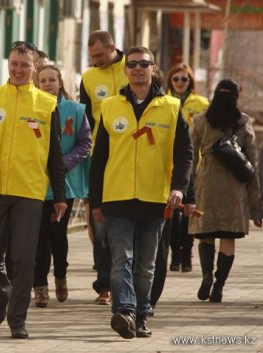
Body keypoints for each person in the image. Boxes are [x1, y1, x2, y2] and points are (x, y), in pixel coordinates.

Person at [0, 41, 67, 339]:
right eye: (14, 63)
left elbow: (54, 155)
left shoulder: (46, 105)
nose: (18, 69)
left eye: (25, 65)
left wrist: (59, 196)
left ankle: (17, 319)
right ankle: (2, 290)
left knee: (23, 258)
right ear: (8, 64)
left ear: (35, 69)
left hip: (30, 192)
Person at [90, 46, 192, 339]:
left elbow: (185, 153)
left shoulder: (171, 107)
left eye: (143, 64)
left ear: (153, 67)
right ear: (125, 70)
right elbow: (99, 158)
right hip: (118, 197)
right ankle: (124, 311)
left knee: (147, 265)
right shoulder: (110, 106)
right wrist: (95, 200)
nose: (137, 69)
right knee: (122, 258)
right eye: (132, 64)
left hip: (154, 198)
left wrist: (178, 188)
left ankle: (143, 313)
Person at [189, 79, 262, 303]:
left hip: (207, 183)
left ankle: (207, 276)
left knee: (207, 233)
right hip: (234, 187)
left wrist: (189, 187)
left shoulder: (201, 120)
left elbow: (191, 155)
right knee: (228, 237)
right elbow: (252, 159)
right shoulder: (243, 121)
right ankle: (219, 287)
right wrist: (255, 199)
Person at [33, 64, 91, 307]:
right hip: (35, 184)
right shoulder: (31, 109)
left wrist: (61, 164)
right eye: (43, 80)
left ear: (60, 83)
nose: (47, 84)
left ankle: (60, 276)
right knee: (39, 237)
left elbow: (85, 143)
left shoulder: (75, 111)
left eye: (52, 80)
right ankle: (40, 286)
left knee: (57, 234)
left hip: (62, 185)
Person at [80, 29, 129, 305]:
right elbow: (85, 119)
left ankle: (126, 278)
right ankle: (104, 285)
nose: (96, 60)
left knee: (125, 218)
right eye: (92, 56)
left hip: (130, 152)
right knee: (98, 220)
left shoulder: (133, 67)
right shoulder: (88, 78)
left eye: (100, 55)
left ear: (112, 47)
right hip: (100, 155)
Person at [167, 63, 209, 272]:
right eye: (176, 79)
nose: (180, 83)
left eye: (184, 79)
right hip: (168, 164)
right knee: (174, 214)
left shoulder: (201, 103)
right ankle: (175, 252)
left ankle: (187, 253)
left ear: (190, 81)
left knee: (190, 212)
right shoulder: (163, 102)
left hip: (195, 163)